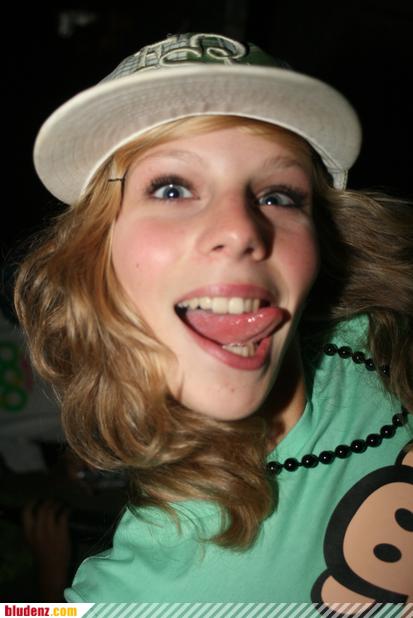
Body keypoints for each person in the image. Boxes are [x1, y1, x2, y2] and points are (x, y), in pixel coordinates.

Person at [14, 33, 412, 609]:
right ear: (95, 252)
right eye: (172, 188)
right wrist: (48, 589)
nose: (241, 229)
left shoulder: (384, 343)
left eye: (279, 196)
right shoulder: (129, 600)